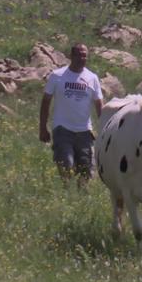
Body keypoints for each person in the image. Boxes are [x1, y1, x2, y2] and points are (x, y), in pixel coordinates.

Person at [39, 43, 104, 188]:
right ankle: (67, 191)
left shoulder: (92, 78)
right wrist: (43, 128)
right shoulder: (57, 76)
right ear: (71, 56)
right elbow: (45, 102)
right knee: (66, 165)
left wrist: (105, 128)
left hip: (84, 132)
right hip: (62, 129)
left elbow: (99, 104)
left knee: (87, 170)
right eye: (79, 55)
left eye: (85, 55)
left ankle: (81, 198)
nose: (82, 58)